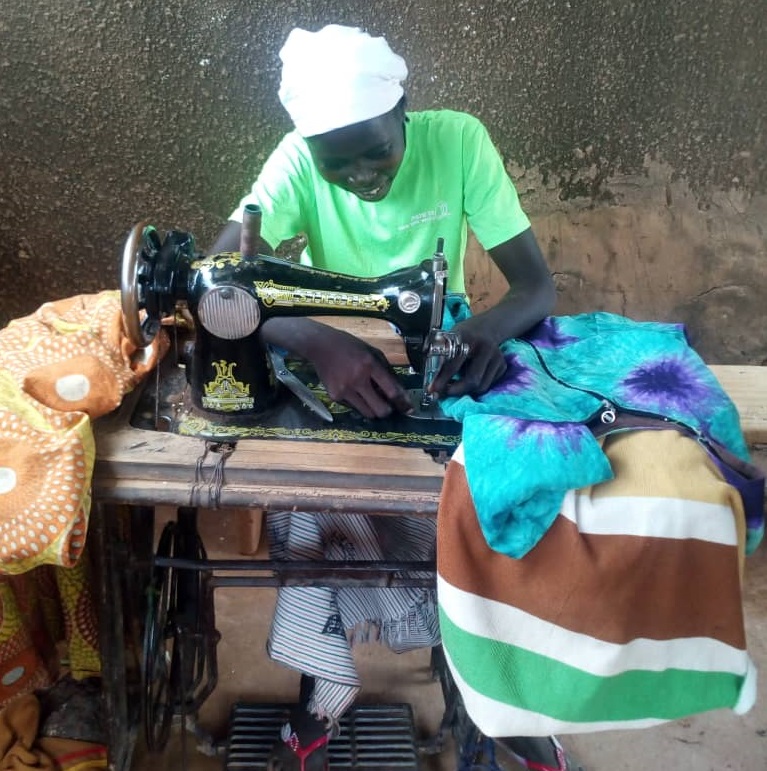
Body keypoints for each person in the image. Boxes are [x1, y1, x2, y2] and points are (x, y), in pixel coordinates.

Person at [210, 23, 562, 771]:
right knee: (309, 497)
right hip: (338, 353)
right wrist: (313, 340)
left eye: (377, 151)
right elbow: (219, 276)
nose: (364, 176)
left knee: (483, 506)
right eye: (339, 166)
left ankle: (484, 689)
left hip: (446, 344)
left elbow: (534, 286)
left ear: (405, 109)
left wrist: (489, 331)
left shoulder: (459, 140)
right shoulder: (294, 164)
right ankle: (323, 683)